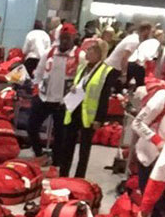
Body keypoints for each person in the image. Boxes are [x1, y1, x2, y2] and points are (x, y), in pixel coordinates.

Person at [58, 40, 112, 178]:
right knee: (66, 144)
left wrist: (99, 118)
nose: (86, 52)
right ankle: (63, 174)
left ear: (99, 54)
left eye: (90, 50)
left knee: (84, 149)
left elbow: (104, 97)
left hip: (89, 115)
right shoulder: (82, 67)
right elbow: (78, 84)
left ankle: (79, 177)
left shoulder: (106, 71)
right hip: (74, 109)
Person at [29, 22, 80, 164]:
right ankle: (39, 153)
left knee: (60, 135)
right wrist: (36, 89)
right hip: (44, 97)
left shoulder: (78, 56)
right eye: (62, 37)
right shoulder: (49, 52)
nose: (64, 41)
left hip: (63, 101)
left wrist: (73, 99)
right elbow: (38, 72)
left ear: (73, 38)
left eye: (67, 38)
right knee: (31, 126)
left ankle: (57, 162)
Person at [105, 21, 153, 91]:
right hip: (113, 68)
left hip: (112, 66)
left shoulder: (133, 37)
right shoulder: (134, 41)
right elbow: (124, 58)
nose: (150, 34)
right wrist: (124, 75)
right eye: (150, 31)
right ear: (146, 30)